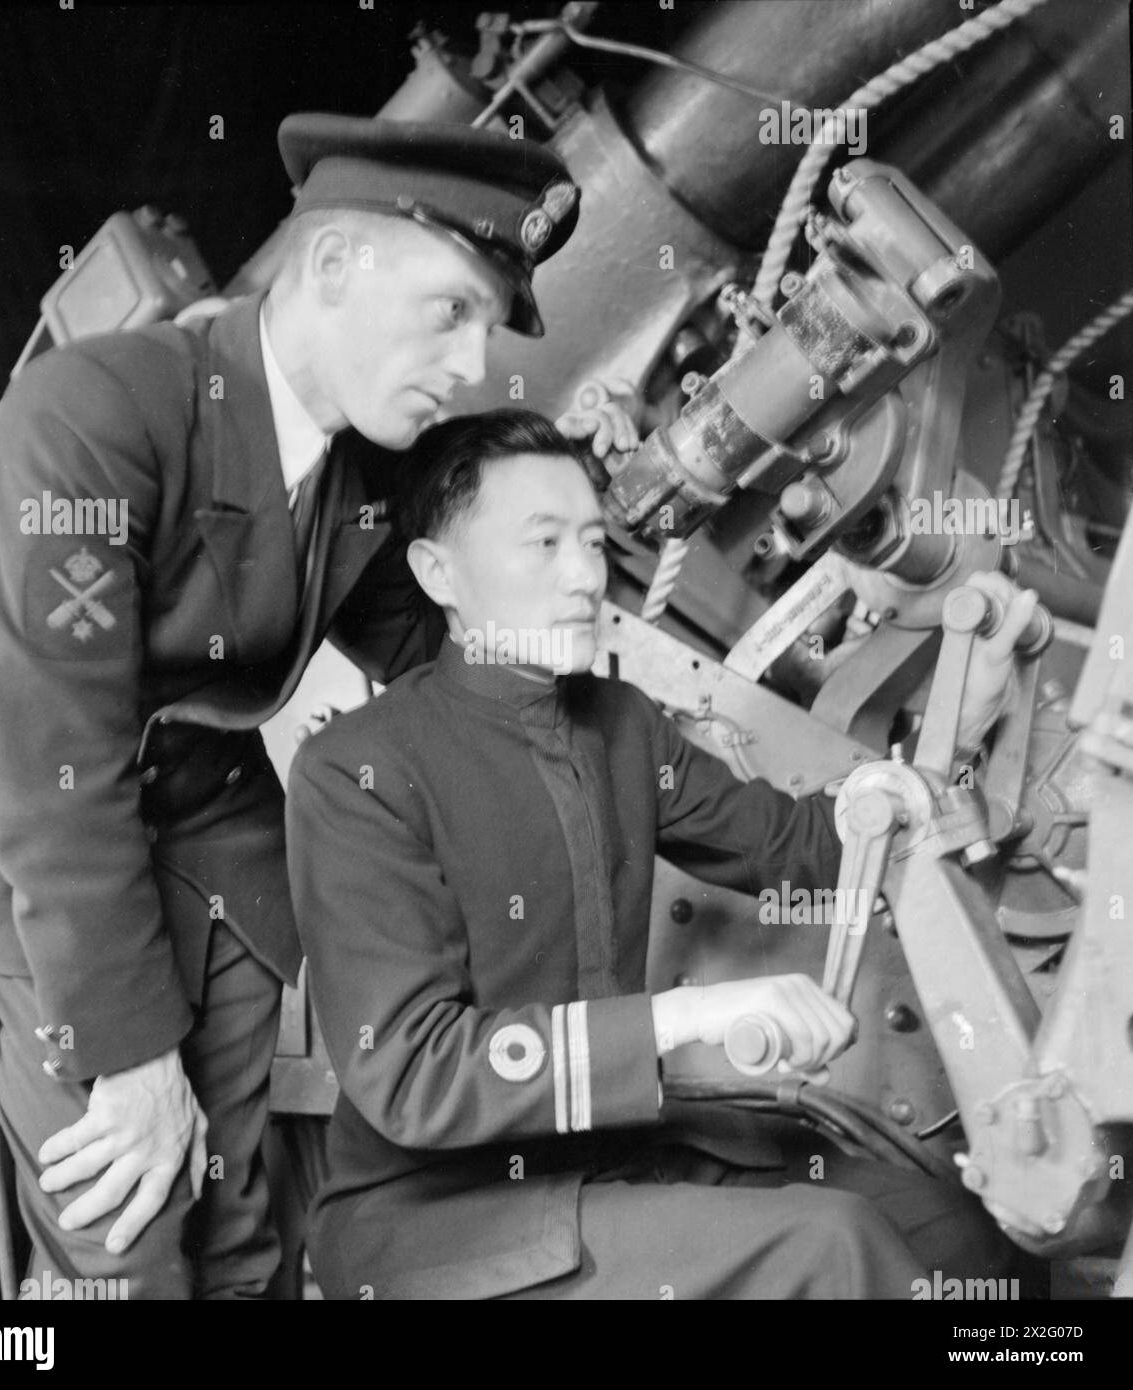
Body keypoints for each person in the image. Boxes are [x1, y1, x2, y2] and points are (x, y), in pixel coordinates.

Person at [0, 117, 633, 1298]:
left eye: (486, 328)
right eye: (450, 311)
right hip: (24, 829)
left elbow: (442, 651)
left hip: (202, 815)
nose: (470, 359)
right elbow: (47, 766)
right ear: (334, 265)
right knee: (127, 1240)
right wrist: (135, 1056)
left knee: (241, 1219)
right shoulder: (95, 416)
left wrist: (566, 567)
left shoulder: (357, 470)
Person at [285, 408, 1039, 1299]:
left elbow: (807, 846)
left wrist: (964, 724)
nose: (583, 578)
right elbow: (414, 1072)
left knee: (957, 1231)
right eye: (543, 544)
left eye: (594, 543)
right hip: (432, 1220)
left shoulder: (622, 724)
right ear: (436, 571)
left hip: (606, 1163)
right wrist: (691, 1017)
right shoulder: (358, 770)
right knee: (831, 1245)